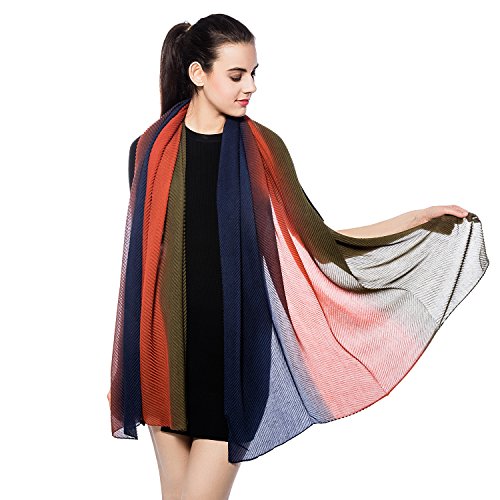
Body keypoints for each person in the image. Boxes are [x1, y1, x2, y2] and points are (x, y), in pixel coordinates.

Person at [108, 13, 481, 499]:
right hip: (164, 358)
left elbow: (318, 241)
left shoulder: (263, 150)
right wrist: (134, 365)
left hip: (232, 362)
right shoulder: (147, 151)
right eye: (236, 75)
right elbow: (147, 268)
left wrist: (415, 217)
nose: (251, 87)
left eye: (254, 73)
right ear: (198, 73)